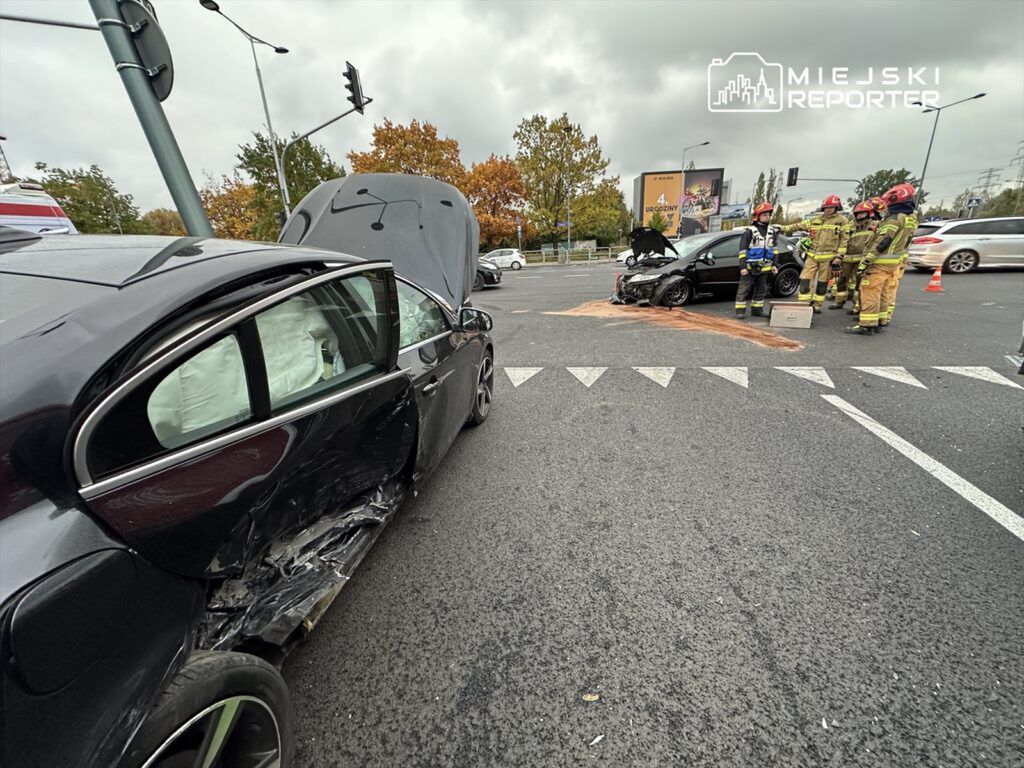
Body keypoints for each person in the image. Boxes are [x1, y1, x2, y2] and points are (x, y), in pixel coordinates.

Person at [846, 183, 918, 335]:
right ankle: (880, 321)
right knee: (883, 292)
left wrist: (866, 261)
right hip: (892, 262)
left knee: (870, 291)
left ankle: (867, 324)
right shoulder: (908, 218)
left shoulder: (893, 219)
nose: (886, 207)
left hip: (880, 262)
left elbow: (882, 242)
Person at [781, 194, 851, 313]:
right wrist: (783, 228)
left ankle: (817, 305)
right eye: (826, 207)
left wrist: (839, 256)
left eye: (831, 207)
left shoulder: (842, 221)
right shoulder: (816, 219)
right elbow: (799, 225)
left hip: (829, 257)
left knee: (822, 283)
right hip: (812, 255)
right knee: (805, 280)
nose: (828, 209)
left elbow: (844, 240)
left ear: (837, 207)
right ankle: (804, 305)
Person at [734, 202, 781, 318]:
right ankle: (740, 311)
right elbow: (742, 251)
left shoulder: (771, 232)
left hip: (765, 267)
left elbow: (774, 250)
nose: (767, 217)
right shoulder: (749, 232)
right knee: (744, 289)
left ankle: (757, 310)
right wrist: (743, 267)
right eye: (764, 215)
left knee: (762, 290)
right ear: (757, 216)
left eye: (768, 215)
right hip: (750, 268)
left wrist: (775, 264)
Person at [829, 201, 875, 311]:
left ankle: (857, 306)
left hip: (862, 259)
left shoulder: (874, 225)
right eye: (858, 213)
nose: (859, 215)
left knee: (859, 284)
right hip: (847, 258)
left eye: (862, 213)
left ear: (868, 213)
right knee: (842, 281)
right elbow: (842, 240)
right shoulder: (850, 225)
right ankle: (839, 302)